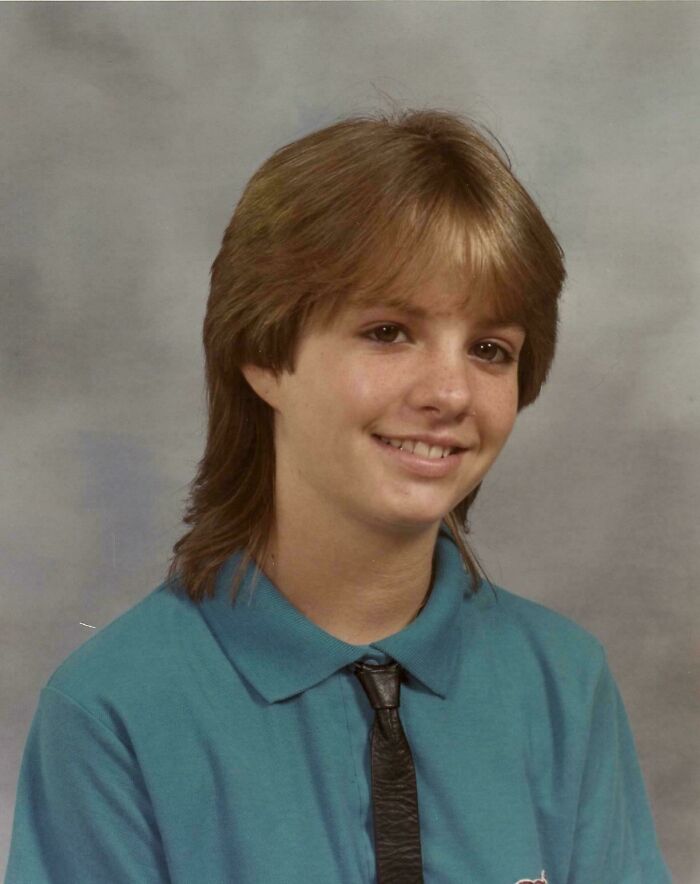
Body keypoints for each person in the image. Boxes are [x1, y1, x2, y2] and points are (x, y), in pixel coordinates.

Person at [5, 108, 672, 884]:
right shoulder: (113, 714)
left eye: (491, 350)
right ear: (263, 352)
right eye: (389, 332)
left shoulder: (563, 685)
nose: (451, 391)